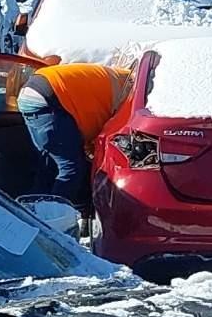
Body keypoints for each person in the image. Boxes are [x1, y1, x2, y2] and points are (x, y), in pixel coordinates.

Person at [14, 59, 129, 211]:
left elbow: (90, 119)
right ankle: (54, 221)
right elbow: (107, 129)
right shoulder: (131, 94)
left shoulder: (122, 77)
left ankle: (30, 212)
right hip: (52, 98)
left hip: (32, 92)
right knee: (71, 168)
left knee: (48, 164)